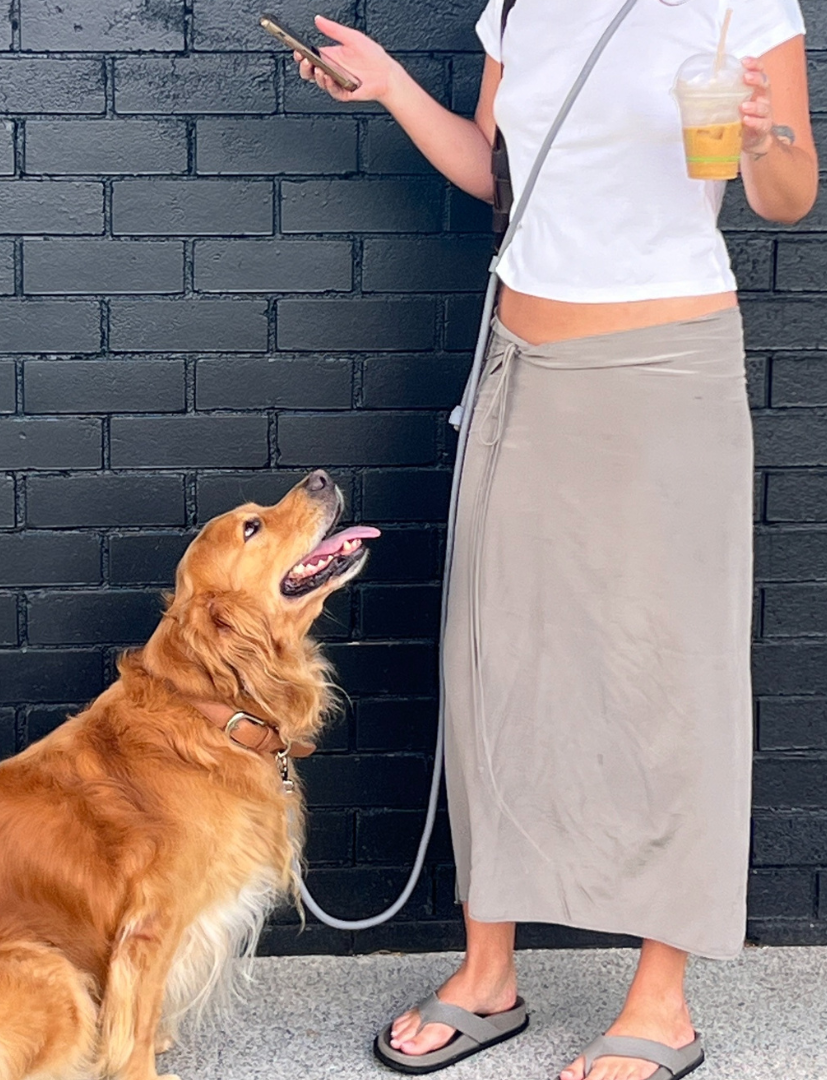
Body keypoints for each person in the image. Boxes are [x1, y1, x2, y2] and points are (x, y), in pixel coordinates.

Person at [293, 2, 817, 1078]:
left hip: (664, 372)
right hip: (519, 362)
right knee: (497, 665)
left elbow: (788, 197)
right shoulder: (521, 4)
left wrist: (766, 134)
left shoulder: (738, 6)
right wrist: (391, 86)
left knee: (669, 680)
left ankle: (661, 1004)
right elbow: (498, 173)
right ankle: (490, 972)